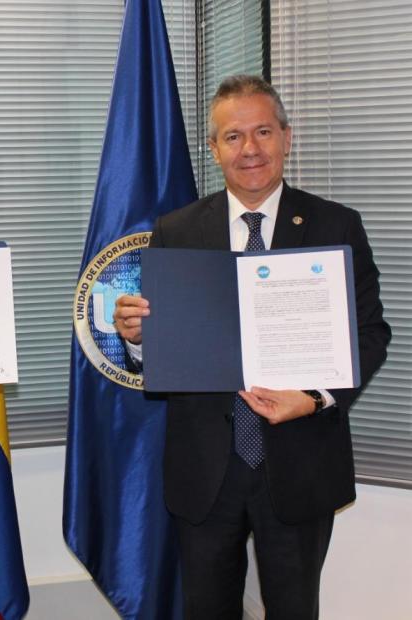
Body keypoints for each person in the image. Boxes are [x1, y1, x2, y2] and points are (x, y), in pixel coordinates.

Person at [113, 75, 391, 619]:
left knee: (294, 609)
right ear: (213, 149)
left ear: (288, 137)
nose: (251, 149)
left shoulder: (336, 224)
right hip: (205, 471)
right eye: (233, 136)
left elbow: (370, 333)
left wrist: (314, 397)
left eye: (263, 131)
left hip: (300, 460)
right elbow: (162, 351)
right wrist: (141, 339)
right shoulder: (177, 229)